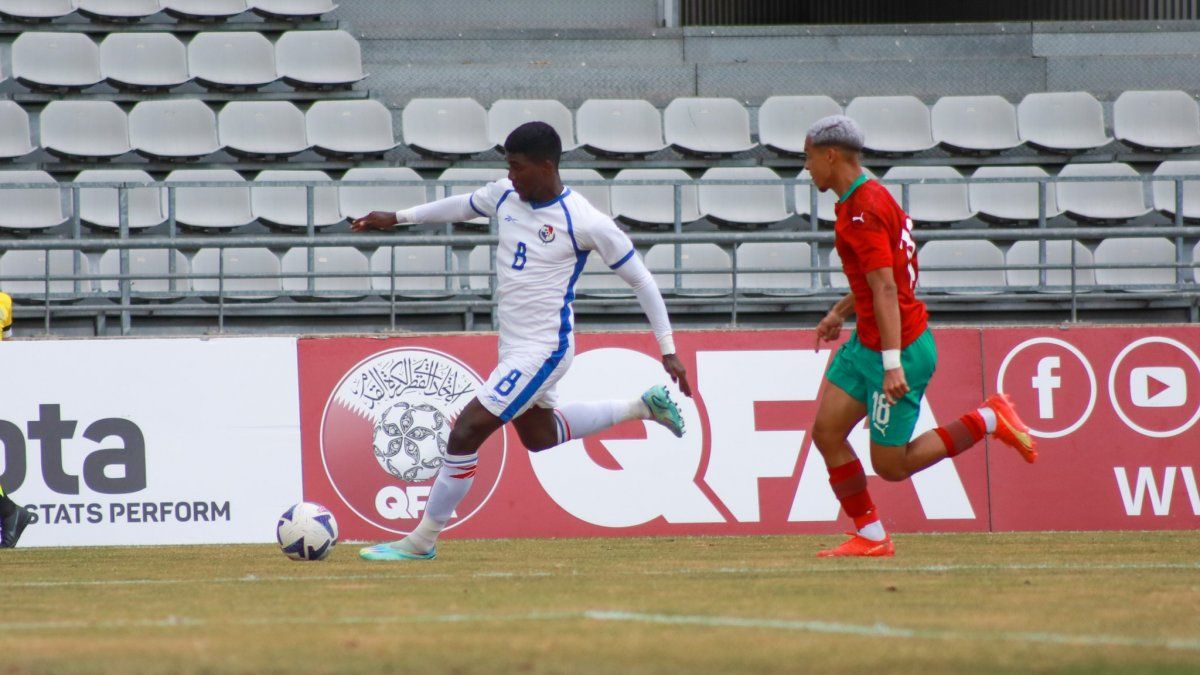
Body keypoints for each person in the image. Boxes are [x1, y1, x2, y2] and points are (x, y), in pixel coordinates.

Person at [350, 122, 691, 560]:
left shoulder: (585, 221)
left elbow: (641, 280)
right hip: (513, 345)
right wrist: (396, 219)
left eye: (517, 167)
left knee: (467, 429)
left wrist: (668, 349)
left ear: (546, 166)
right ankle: (642, 406)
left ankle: (421, 542)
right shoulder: (506, 196)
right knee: (540, 436)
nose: (510, 177)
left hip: (545, 349)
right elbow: (460, 207)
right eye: (508, 168)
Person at [806, 115, 1037, 558]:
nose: (807, 168)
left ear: (830, 155)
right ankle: (872, 536)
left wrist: (892, 363)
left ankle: (988, 419)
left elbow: (887, 287)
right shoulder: (866, 198)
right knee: (827, 432)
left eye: (809, 158)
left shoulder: (863, 210)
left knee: (891, 466)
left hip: (898, 349)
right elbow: (879, 279)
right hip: (868, 343)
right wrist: (839, 312)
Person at [0, 290, 33, 548]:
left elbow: (7, 345)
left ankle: (10, 512)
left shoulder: (3, 301)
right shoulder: (3, 300)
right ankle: (10, 512)